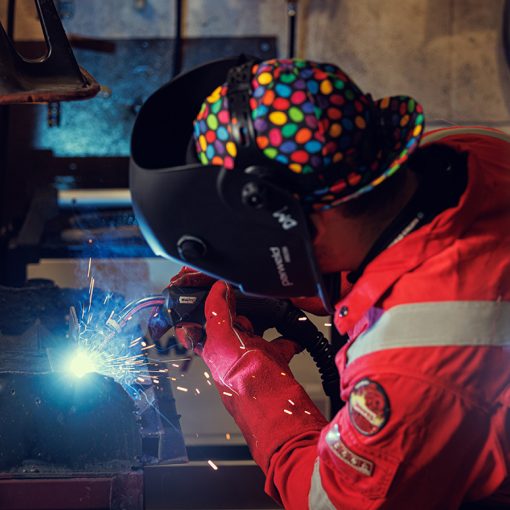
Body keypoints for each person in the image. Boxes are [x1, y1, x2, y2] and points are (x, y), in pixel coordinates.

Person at [130, 57, 510, 509]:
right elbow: (403, 251)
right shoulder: (460, 149)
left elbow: (328, 502)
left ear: (284, 219)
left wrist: (247, 377)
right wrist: (286, 279)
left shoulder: (410, 366)